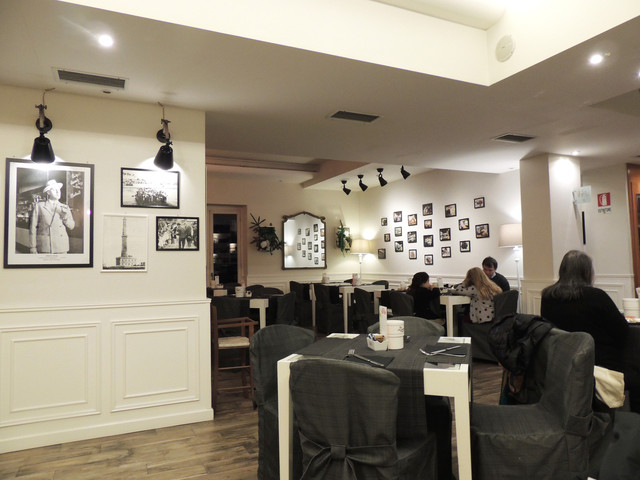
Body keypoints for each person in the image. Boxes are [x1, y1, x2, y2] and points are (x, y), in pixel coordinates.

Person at [540, 250, 628, 373]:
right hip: (599, 364)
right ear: (587, 272)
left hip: (561, 363)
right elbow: (623, 332)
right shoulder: (596, 296)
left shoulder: (547, 296)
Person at [29, 179, 75, 254]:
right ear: (48, 192)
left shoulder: (65, 207)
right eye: (54, 189)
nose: (58, 191)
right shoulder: (40, 206)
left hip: (61, 247)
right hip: (45, 246)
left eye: (58, 189)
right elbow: (33, 227)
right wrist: (32, 247)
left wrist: (64, 217)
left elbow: (72, 226)